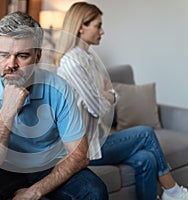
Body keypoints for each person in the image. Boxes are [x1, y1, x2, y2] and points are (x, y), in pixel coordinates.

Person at [0, 11, 108, 200]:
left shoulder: (58, 88)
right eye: (3, 55)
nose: (11, 64)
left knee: (94, 190)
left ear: (37, 56)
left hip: (48, 166)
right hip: (3, 168)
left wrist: (34, 192)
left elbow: (79, 155)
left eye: (22, 56)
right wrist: (7, 111)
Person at [55, 2, 188, 200]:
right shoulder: (72, 62)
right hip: (85, 147)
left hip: (99, 137)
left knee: (147, 159)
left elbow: (109, 95)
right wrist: (107, 95)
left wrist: (108, 95)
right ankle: (174, 192)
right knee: (145, 133)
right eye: (98, 26)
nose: (103, 31)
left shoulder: (89, 57)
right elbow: (97, 108)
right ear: (81, 27)